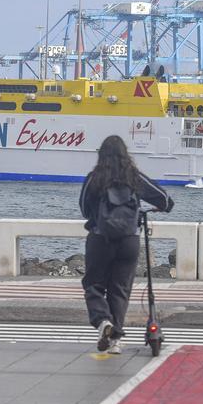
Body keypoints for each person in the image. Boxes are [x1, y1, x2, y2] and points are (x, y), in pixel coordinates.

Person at [79, 135, 173, 354]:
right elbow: (163, 198)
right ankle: (115, 342)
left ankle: (103, 322)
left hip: (100, 238)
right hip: (129, 240)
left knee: (93, 285)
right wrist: (162, 207)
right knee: (119, 290)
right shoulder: (134, 177)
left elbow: (84, 207)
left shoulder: (95, 178)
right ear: (125, 154)